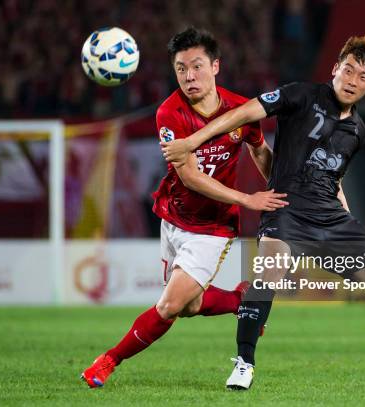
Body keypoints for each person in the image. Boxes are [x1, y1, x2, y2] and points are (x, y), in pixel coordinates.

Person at [161, 35, 365, 390]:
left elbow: (335, 178)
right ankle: (244, 364)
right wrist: (192, 142)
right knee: (267, 277)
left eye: (362, 76)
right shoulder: (299, 95)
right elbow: (241, 113)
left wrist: (349, 222)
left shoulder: (358, 131)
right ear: (335, 69)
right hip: (286, 212)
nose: (352, 80)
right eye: (347, 70)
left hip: (333, 221)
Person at [82, 27, 288, 388]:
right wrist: (248, 198)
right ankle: (242, 298)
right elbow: (190, 177)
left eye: (196, 66)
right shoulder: (170, 114)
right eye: (180, 69)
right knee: (190, 306)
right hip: (174, 217)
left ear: (216, 66)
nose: (189, 76)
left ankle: (107, 361)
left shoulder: (242, 109)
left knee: (168, 307)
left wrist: (272, 192)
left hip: (213, 227)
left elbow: (258, 147)